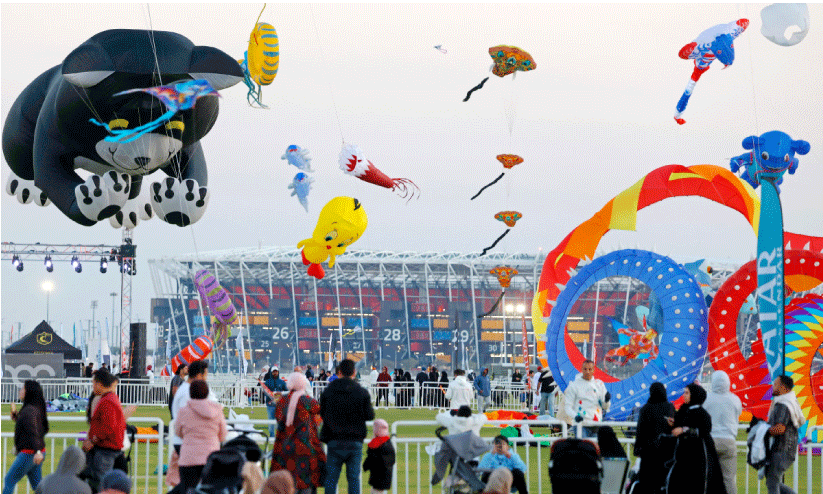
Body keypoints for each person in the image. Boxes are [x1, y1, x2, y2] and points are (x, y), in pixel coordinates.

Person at [320, 358, 375, 494]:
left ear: (339, 372)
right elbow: (370, 415)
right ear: (354, 372)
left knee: (331, 479)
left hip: (334, 439)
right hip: (354, 439)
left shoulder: (329, 391)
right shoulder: (361, 391)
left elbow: (322, 412)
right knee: (353, 478)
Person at [271, 372, 326, 494]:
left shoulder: (282, 401)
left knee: (288, 484)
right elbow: (320, 416)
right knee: (306, 484)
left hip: (285, 448)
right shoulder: (308, 401)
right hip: (305, 448)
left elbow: (278, 418)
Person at [668, 383, 726, 494]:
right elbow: (682, 424)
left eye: (687, 393)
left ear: (694, 395)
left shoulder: (701, 413)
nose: (684, 395)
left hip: (699, 456)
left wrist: (684, 430)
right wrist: (674, 424)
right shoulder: (684, 410)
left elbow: (703, 430)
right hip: (684, 456)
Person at [175, 380, 227, 493]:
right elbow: (223, 435)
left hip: (189, 457)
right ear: (207, 392)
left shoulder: (184, 411)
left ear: (190, 392)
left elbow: (178, 432)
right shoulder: (217, 410)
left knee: (187, 489)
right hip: (211, 457)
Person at [83, 368, 127, 491]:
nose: (92, 386)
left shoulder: (108, 401)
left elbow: (108, 427)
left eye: (93, 383)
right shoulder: (109, 399)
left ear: (99, 384)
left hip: (105, 450)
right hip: (106, 448)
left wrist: (93, 440)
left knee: (100, 483)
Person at [4, 380, 48, 494]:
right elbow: (37, 429)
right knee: (38, 486)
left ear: (29, 392)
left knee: (9, 480)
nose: (20, 391)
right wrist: (17, 417)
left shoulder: (29, 410)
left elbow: (33, 432)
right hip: (36, 452)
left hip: (30, 453)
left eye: (23, 389)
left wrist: (37, 451)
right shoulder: (35, 408)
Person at [704, 371, 743, 494]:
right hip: (729, 441)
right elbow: (738, 413)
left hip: (710, 441)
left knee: (707, 477)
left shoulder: (706, 399)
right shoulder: (735, 399)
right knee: (729, 479)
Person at [764, 375, 804, 494]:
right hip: (786, 450)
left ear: (783, 387)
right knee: (773, 480)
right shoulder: (789, 403)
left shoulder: (783, 405)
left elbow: (780, 428)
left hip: (781, 450)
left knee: (772, 481)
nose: (773, 387)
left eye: (776, 384)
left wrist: (763, 431)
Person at [633, 382, 675, 494]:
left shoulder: (645, 409)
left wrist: (637, 449)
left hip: (648, 452)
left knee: (647, 484)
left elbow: (640, 431)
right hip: (666, 452)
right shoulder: (669, 407)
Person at [563, 360, 610, 437]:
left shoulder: (599, 384)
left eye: (590, 369)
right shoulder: (574, 386)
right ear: (582, 369)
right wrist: (575, 416)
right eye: (585, 369)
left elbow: (605, 407)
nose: (587, 372)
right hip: (580, 425)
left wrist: (607, 400)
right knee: (583, 444)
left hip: (596, 425)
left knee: (595, 445)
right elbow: (567, 407)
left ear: (593, 370)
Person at [362, 419, 395, 494]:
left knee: (376, 491)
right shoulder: (386, 442)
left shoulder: (377, 444)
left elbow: (372, 458)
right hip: (382, 474)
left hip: (379, 475)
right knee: (376, 490)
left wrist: (366, 465)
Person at [263, 366, 288, 437]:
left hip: (280, 405)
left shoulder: (282, 382)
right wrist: (271, 395)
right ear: (271, 372)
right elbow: (265, 392)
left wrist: (280, 394)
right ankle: (272, 436)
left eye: (276, 371)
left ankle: (280, 436)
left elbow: (287, 391)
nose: (275, 373)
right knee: (271, 421)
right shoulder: (267, 382)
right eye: (273, 372)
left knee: (280, 421)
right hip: (270, 405)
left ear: (278, 372)